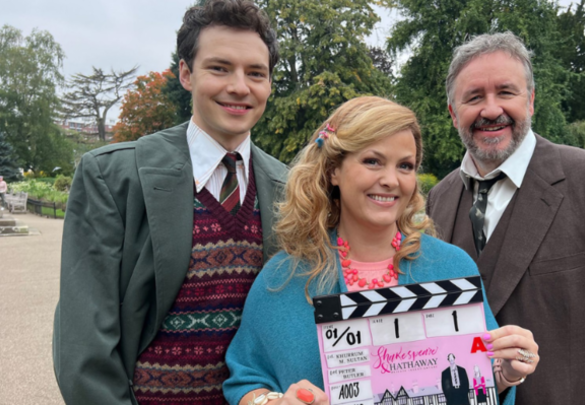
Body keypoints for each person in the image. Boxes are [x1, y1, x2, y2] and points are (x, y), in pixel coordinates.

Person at [221, 96, 539, 405]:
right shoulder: (282, 278)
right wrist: (271, 402)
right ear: (334, 170)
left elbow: (481, 380)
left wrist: (509, 370)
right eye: (372, 161)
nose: (390, 180)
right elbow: (246, 380)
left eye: (405, 165)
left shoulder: (451, 267)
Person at [52, 1, 287, 404]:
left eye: (255, 73)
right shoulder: (112, 177)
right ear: (185, 73)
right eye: (219, 68)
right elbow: (84, 343)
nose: (239, 86)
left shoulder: (289, 187)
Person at [426, 32, 585, 405]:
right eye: (474, 97)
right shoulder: (437, 200)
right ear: (454, 112)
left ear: (531, 100)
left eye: (506, 92)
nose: (491, 110)